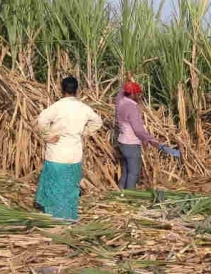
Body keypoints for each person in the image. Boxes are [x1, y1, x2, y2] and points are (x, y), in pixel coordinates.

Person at [35, 76, 103, 220]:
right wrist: (84, 133)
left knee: (55, 186)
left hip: (57, 152)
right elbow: (97, 122)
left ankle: (53, 217)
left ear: (62, 89)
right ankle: (68, 217)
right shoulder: (83, 108)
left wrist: (48, 135)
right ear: (77, 90)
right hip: (74, 153)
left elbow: (42, 120)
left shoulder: (58, 106)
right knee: (71, 187)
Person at [115, 75, 177, 189]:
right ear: (132, 94)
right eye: (138, 94)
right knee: (133, 172)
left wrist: (128, 83)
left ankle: (121, 193)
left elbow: (121, 92)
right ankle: (131, 196)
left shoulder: (120, 102)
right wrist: (151, 140)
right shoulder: (131, 108)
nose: (139, 96)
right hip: (131, 144)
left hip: (123, 142)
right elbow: (138, 129)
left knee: (126, 170)